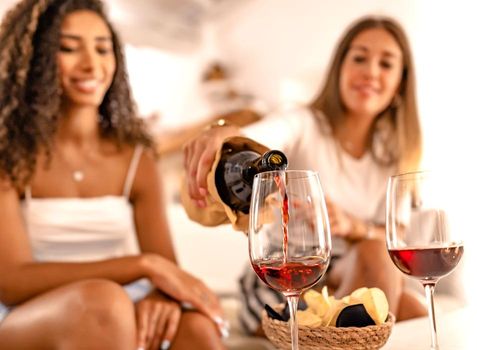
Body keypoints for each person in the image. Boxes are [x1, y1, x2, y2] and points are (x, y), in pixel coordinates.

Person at [0, 1, 227, 349]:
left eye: (103, 48)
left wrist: (161, 293)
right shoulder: (10, 157)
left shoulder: (136, 158)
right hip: (28, 313)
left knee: (197, 330)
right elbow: (11, 281)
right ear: (36, 59)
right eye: (68, 48)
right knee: (101, 303)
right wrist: (142, 265)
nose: (91, 64)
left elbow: (166, 269)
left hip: (117, 305)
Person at [183, 15, 428, 334]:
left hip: (346, 273)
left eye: (386, 64)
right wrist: (226, 132)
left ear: (400, 83)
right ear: (339, 69)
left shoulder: (395, 154)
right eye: (359, 58)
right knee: (388, 287)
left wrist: (352, 227)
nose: (370, 72)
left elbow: (397, 243)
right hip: (285, 277)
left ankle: (341, 331)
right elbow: (262, 137)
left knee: (410, 306)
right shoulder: (304, 124)